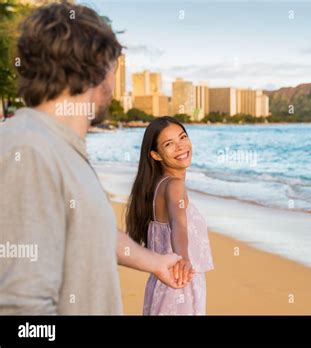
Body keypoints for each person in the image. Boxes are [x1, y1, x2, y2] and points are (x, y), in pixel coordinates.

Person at [0, 2, 193, 315]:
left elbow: (86, 226)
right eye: (114, 67)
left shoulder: (56, 146)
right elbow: (21, 309)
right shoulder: (29, 150)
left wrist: (156, 262)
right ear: (97, 67)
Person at [126, 117, 214, 315]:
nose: (181, 146)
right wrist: (182, 258)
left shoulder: (159, 185)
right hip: (179, 283)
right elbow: (178, 224)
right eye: (169, 144)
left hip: (163, 284)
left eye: (183, 137)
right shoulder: (174, 185)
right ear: (156, 155)